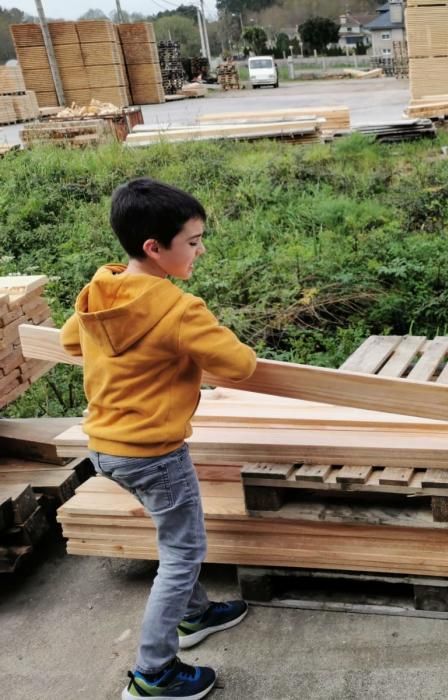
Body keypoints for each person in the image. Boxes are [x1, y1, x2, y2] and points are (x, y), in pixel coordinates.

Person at [61, 178, 258, 700]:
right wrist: (189, 343)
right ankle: (155, 673)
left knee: (174, 541)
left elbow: (67, 339)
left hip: (105, 447)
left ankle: (195, 615)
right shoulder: (178, 310)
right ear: (155, 247)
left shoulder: (101, 287)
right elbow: (240, 365)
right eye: (192, 241)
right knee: (182, 553)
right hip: (154, 455)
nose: (200, 249)